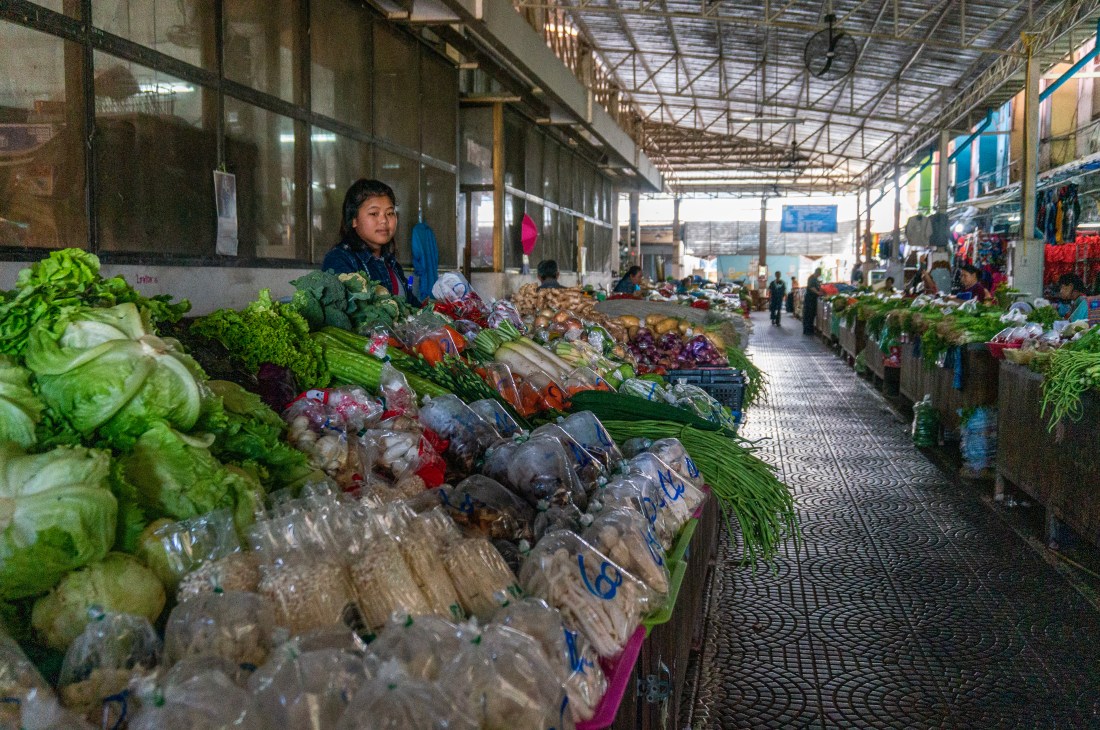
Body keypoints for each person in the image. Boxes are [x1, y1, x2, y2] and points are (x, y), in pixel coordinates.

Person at [322, 179, 420, 306]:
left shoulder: (391, 263)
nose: (384, 220)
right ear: (354, 220)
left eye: (390, 213)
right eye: (374, 213)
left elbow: (412, 307)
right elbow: (347, 310)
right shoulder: (339, 260)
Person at [803, 268, 823, 336]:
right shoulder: (811, 278)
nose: (819, 275)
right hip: (809, 299)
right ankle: (807, 330)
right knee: (808, 314)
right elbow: (811, 287)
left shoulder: (816, 279)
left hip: (813, 299)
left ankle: (810, 329)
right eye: (819, 274)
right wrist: (818, 292)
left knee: (812, 315)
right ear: (817, 272)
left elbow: (817, 287)